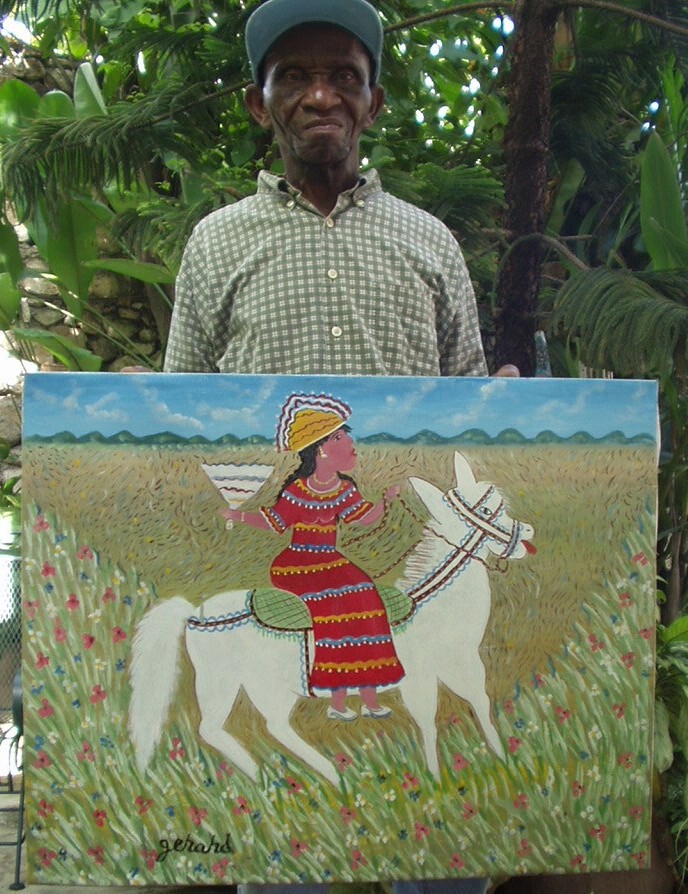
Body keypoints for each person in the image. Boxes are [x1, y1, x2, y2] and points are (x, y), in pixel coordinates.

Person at [164, 0, 517, 891]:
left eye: (344, 77)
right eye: (295, 76)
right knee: (282, 864)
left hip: (393, 546)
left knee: (444, 854)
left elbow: (466, 412)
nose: (320, 94)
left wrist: (505, 408)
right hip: (281, 560)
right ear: (260, 103)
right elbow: (183, 413)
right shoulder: (214, 245)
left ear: (373, 102)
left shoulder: (430, 242)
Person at [224, 392, 403, 720]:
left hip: (330, 561)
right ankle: (337, 702)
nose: (350, 444)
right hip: (297, 565)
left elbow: (362, 517)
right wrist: (239, 516)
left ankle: (369, 695)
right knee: (331, 605)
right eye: (340, 437)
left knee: (365, 594)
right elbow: (275, 522)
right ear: (321, 448)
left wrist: (385, 502)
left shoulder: (343, 489)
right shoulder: (298, 490)